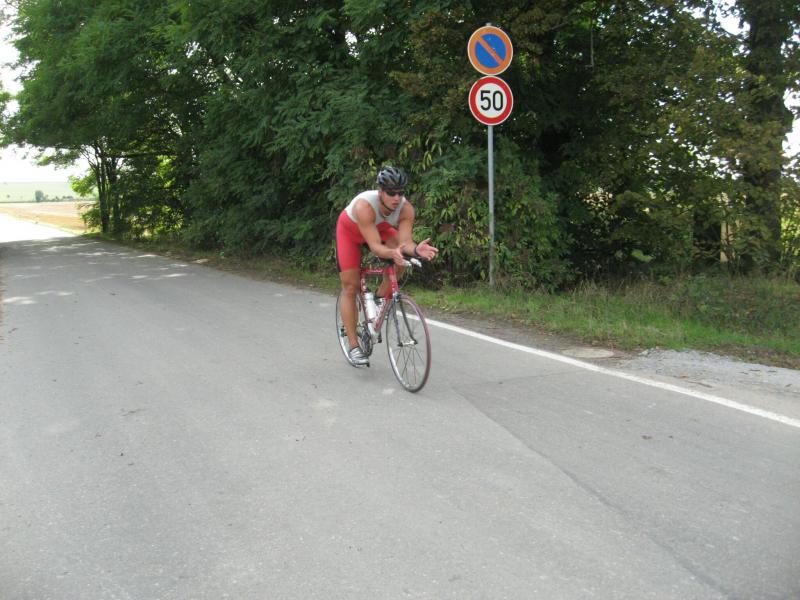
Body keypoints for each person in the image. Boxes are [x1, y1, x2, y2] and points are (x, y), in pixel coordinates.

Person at [336, 166, 438, 366]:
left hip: (380, 230)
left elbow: (405, 243)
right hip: (350, 232)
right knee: (351, 286)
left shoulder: (406, 209)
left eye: (401, 192)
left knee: (400, 262)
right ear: (380, 191)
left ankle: (378, 299)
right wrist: (392, 253)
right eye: (391, 193)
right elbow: (375, 247)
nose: (397, 198)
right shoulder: (364, 206)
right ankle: (354, 346)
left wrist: (416, 250)